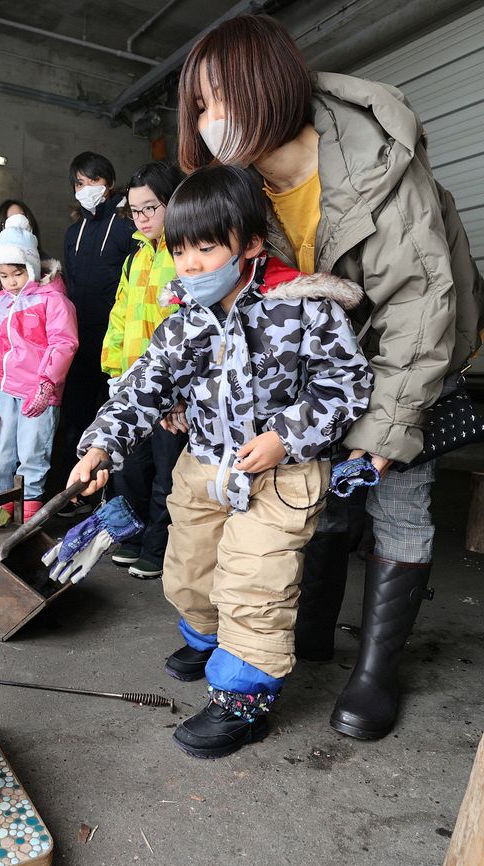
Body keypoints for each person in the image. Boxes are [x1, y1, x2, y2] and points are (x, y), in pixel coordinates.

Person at [177, 14, 484, 740]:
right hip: (320, 361)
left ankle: (376, 671)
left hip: (416, 347)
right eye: (195, 105)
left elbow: (418, 305)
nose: (203, 120)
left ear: (263, 85)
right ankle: (306, 632)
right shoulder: (243, 184)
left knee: (395, 493)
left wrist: (385, 428)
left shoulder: (379, 161)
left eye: (211, 100)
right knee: (313, 491)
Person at [70, 165, 373, 758]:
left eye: (206, 248)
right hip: (205, 463)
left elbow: (346, 385)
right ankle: (207, 639)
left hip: (282, 474)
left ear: (251, 244)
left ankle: (243, 698)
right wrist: (101, 446)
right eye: (179, 250)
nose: (190, 264)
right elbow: (142, 387)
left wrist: (285, 436)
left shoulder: (305, 309)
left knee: (254, 582)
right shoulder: (186, 323)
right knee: (188, 571)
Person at [101, 161, 187, 579]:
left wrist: (183, 392)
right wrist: (114, 372)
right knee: (129, 469)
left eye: (151, 208)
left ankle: (158, 548)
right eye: (135, 211)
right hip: (133, 386)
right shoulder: (135, 258)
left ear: (174, 203)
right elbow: (119, 317)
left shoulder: (188, 252)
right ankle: (133, 538)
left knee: (167, 475)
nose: (142, 218)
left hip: (171, 391)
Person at [0, 215, 78, 527]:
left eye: (17, 273)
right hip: (4, 389)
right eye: (3, 275)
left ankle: (27, 515)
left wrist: (47, 382)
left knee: (33, 451)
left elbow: (64, 342)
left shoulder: (54, 301)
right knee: (2, 449)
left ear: (31, 268)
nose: (10, 281)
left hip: (39, 391)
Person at [56, 152, 136, 515]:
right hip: (78, 342)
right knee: (76, 420)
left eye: (92, 181)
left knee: (113, 422)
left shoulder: (125, 227)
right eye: (79, 183)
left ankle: (112, 501)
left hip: (114, 341)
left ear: (109, 182)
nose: (86, 189)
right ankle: (76, 496)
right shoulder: (74, 232)